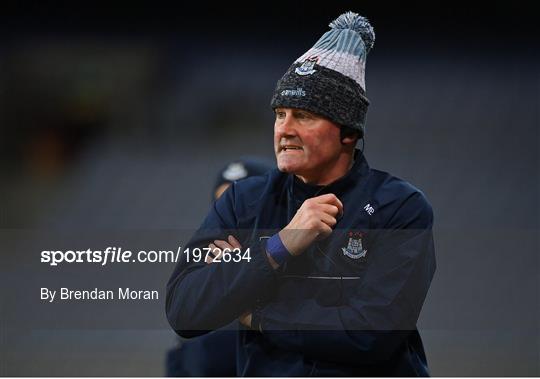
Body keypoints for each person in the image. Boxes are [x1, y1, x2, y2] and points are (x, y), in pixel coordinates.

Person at [166, 11, 436, 376]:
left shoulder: (399, 207)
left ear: (349, 133)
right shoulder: (243, 201)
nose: (284, 130)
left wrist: (253, 310)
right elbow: (184, 310)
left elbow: (370, 334)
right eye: (280, 113)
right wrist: (279, 246)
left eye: (304, 116)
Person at [166, 158, 274, 377]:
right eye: (223, 207)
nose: (232, 217)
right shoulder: (197, 292)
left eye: (241, 205)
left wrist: (240, 271)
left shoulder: (301, 265)